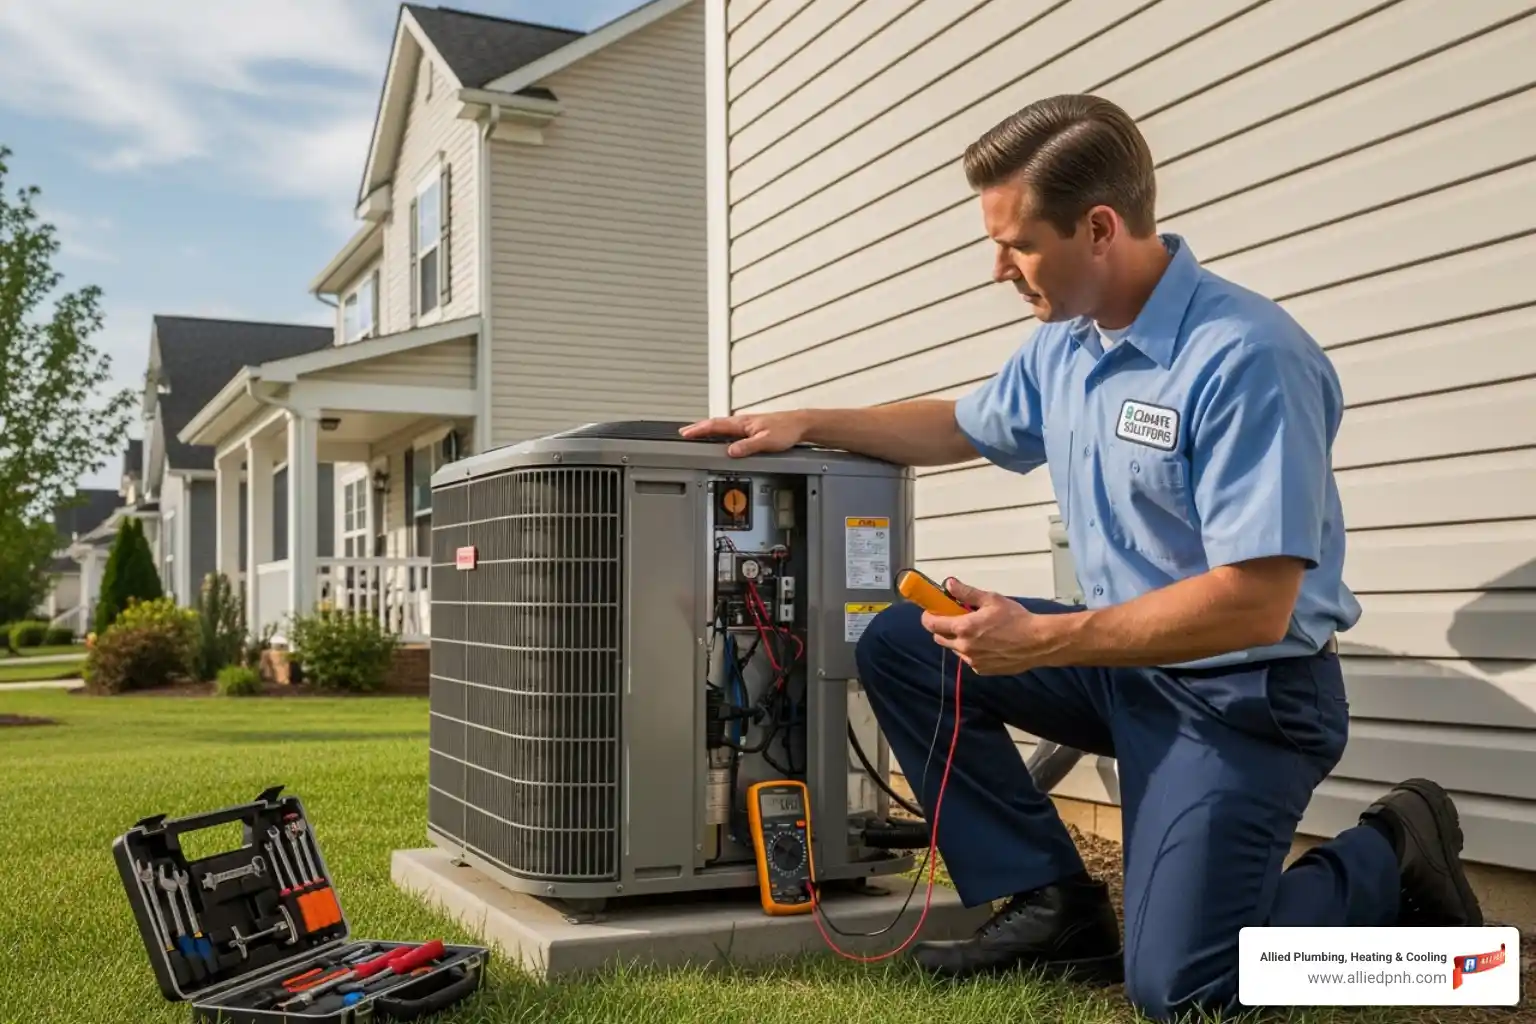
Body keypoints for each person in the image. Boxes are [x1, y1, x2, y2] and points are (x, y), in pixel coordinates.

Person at [681, 94, 1483, 1021]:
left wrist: (1044, 643)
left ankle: (1393, 857)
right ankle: (1053, 903)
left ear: (1098, 228)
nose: (998, 269)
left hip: (1242, 695)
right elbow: (961, 423)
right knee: (905, 639)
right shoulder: (1065, 345)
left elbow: (1256, 605)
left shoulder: (1246, 357)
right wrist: (807, 420)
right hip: (1123, 669)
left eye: (1018, 243)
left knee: (1187, 993)